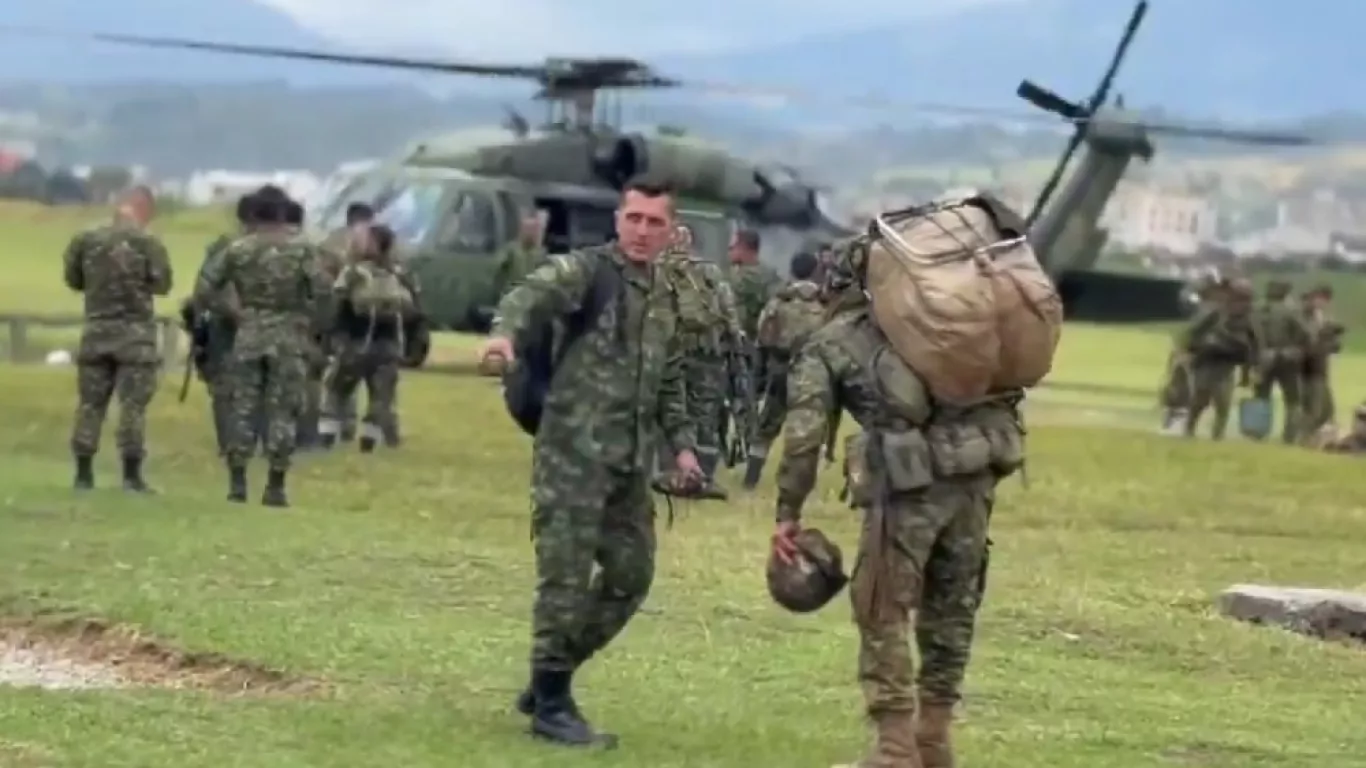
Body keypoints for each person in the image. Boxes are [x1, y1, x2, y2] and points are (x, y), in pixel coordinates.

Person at [771, 244, 1021, 768]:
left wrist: (787, 512)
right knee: (951, 608)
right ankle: (934, 739)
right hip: (975, 477)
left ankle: (894, 751)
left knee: (881, 606)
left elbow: (803, 436)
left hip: (909, 492)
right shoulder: (940, 324)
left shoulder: (829, 343)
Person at [477, 181, 700, 748]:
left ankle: (548, 675)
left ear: (671, 230)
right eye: (634, 218)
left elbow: (669, 379)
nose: (642, 231)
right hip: (572, 454)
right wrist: (502, 339)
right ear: (618, 220)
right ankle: (551, 705)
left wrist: (683, 448)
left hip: (628, 462)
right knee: (565, 579)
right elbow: (530, 295)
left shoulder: (665, 293)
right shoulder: (585, 272)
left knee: (631, 576)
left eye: (654, 222)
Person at [194, 193, 324, 507]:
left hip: (249, 333)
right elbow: (323, 291)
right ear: (282, 217)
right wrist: (307, 319)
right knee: (283, 409)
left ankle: (237, 484)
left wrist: (233, 311)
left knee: (242, 409)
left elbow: (204, 288)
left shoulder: (238, 250)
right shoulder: (303, 250)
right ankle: (275, 486)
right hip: (288, 337)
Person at [64, 187, 173, 491]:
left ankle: (83, 473)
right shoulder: (149, 243)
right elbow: (162, 284)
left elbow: (73, 280)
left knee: (90, 404)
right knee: (133, 406)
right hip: (136, 336)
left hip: (97, 332)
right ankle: (131, 474)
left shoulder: (86, 239)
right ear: (143, 208)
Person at [320, 224, 423, 451]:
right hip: (388, 344)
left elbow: (337, 303)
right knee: (381, 395)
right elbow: (416, 310)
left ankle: (327, 435)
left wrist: (331, 334)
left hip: (354, 340)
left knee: (336, 389)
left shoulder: (353, 272)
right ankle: (369, 439)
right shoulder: (401, 274)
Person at [661, 223, 744, 499]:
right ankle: (704, 476)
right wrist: (734, 342)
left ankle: (668, 472)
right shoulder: (709, 271)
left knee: (668, 411)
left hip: (668, 352)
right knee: (706, 416)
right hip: (706, 355)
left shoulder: (655, 269)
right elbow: (728, 311)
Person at [743, 251, 827, 489]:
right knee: (810, 429)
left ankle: (751, 479)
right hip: (814, 372)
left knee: (767, 425)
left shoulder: (780, 300)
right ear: (816, 270)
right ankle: (804, 484)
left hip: (780, 370)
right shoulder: (825, 302)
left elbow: (763, 336)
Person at [186, 191, 257, 455]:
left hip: (226, 324)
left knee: (225, 389)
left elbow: (203, 289)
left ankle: (231, 443)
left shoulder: (224, 245)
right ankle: (241, 442)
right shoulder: (239, 247)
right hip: (236, 325)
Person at [1177, 278, 1259, 440]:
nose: (1241, 303)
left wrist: (1250, 369)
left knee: (1223, 402)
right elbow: (1195, 331)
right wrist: (1188, 350)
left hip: (1227, 364)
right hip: (1207, 361)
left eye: (1244, 298)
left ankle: (1217, 435)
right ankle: (1189, 428)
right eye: (1238, 297)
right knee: (1200, 399)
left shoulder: (1249, 317)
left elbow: (1255, 342)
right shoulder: (1218, 312)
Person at [1251, 279, 1310, 443]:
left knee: (1261, 397)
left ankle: (1257, 433)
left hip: (1262, 359)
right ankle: (1289, 437)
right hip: (1287, 360)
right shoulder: (1290, 311)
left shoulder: (1256, 310)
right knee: (1293, 400)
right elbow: (1306, 334)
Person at [1298, 285, 1341, 441]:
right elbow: (1305, 341)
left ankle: (1313, 435)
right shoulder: (1302, 318)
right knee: (1312, 407)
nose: (1319, 302)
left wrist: (1332, 340)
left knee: (1325, 408)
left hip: (1319, 368)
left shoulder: (1323, 318)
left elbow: (1332, 346)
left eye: (1323, 299)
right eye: (1317, 298)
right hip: (1306, 368)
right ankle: (1304, 436)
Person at [727, 228, 782, 338]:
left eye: (732, 248)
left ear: (744, 248)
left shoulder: (762, 277)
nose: (729, 252)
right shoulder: (770, 275)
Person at [493, 209, 549, 299]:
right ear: (522, 230)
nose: (530, 233)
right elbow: (498, 268)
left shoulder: (541, 253)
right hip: (512, 293)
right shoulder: (511, 249)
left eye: (533, 230)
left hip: (532, 295)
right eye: (528, 229)